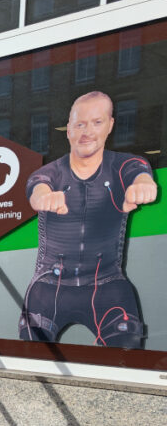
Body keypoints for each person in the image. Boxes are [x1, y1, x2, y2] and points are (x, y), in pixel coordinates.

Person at [21, 91, 158, 348]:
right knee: (28, 362)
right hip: (49, 287)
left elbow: (138, 170)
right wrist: (43, 197)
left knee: (127, 363)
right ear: (69, 130)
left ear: (110, 125)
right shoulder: (49, 172)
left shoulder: (123, 165)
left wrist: (143, 183)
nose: (87, 131)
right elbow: (37, 186)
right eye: (80, 124)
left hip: (107, 284)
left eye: (97, 122)